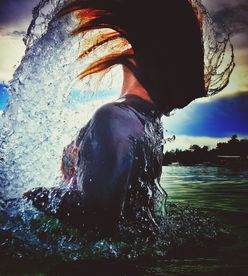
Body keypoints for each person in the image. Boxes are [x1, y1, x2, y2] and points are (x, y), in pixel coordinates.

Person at [24, 0, 206, 236]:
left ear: (145, 56)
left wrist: (34, 195)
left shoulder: (114, 118)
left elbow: (98, 217)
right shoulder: (150, 125)